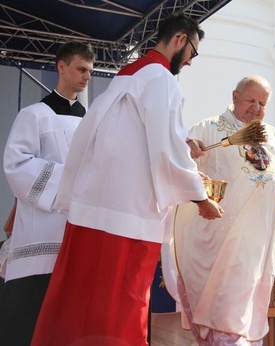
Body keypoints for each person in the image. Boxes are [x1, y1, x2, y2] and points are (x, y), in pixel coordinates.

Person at [31, 13, 222, 346]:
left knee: (76, 304)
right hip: (127, 219)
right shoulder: (162, 79)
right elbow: (166, 150)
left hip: (91, 210)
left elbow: (132, 141)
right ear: (179, 39)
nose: (190, 62)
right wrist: (200, 197)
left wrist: (182, 148)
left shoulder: (126, 77)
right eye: (193, 53)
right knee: (120, 307)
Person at [171, 75, 275, 345]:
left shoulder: (272, 135)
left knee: (246, 300)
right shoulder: (209, 127)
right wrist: (188, 148)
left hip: (258, 237)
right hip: (220, 235)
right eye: (251, 100)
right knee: (226, 302)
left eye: (263, 103)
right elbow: (179, 158)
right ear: (235, 96)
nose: (257, 108)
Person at [0, 41, 95, 346]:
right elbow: (17, 165)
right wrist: (67, 181)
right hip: (42, 231)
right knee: (31, 318)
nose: (87, 77)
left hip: (79, 227)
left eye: (91, 71)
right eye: (81, 69)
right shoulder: (34, 115)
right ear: (61, 66)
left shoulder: (92, 122)